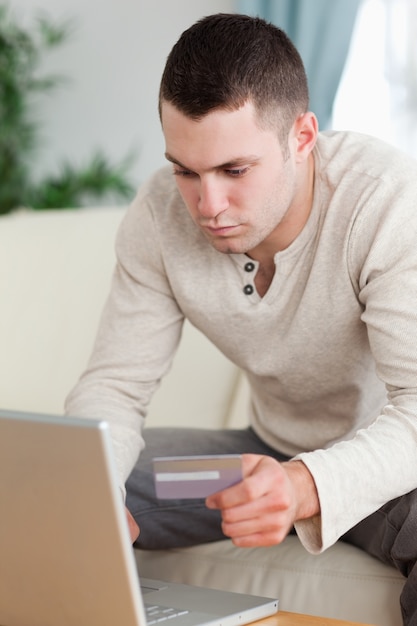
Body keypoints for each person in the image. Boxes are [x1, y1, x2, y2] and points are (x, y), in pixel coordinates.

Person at [65, 13, 417, 624]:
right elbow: (114, 388)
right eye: (185, 171)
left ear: (303, 137)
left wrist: (304, 486)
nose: (208, 206)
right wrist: (90, 491)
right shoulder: (157, 217)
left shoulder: (385, 202)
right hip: (248, 466)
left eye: (234, 171)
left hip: (384, 471)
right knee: (39, 485)